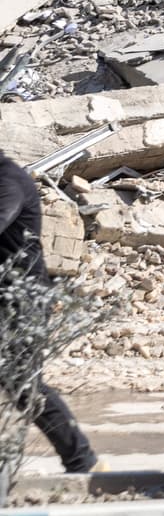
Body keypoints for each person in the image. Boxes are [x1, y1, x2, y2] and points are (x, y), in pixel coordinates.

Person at [0, 153, 98, 474]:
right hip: (7, 296)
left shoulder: (8, 181)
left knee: (24, 384)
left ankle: (82, 462)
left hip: (23, 301)